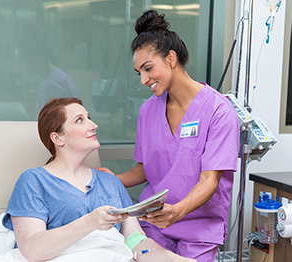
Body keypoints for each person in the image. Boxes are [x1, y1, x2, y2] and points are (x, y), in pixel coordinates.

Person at [97, 10, 240, 262]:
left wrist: (178, 211)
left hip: (199, 227)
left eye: (148, 68)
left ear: (171, 58)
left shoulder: (218, 111)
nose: (143, 80)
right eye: (138, 72)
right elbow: (146, 169)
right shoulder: (147, 111)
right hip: (154, 222)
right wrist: (115, 179)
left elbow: (210, 180)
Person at [2, 97, 196, 262]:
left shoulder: (110, 182)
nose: (93, 125)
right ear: (58, 138)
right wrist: (89, 223)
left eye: (89, 118)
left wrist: (172, 258)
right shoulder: (33, 181)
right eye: (79, 120)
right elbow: (32, 250)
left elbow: (135, 240)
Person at [16, 22, 81, 118]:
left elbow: (52, 126)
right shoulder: (57, 77)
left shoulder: (51, 86)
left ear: (37, 58)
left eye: (23, 61)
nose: (21, 66)